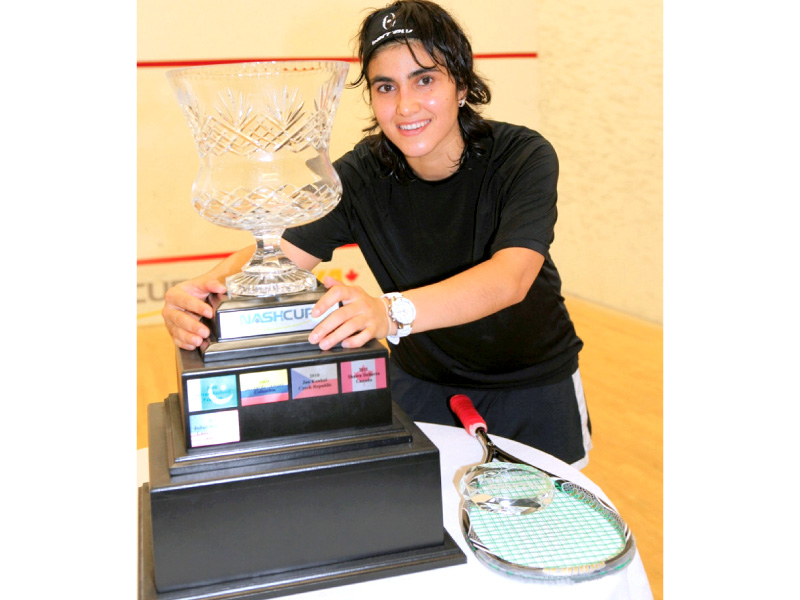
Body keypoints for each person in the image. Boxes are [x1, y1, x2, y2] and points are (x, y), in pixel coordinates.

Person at [162, 0, 592, 467]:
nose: (405, 106)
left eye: (425, 79)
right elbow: (279, 253)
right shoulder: (363, 174)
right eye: (386, 87)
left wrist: (387, 312)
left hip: (534, 387)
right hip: (423, 384)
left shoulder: (521, 157)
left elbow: (511, 278)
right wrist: (203, 294)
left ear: (462, 84)